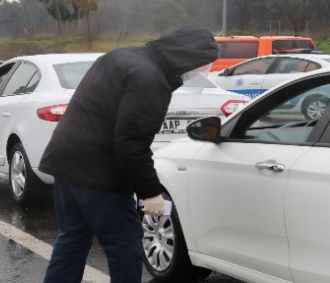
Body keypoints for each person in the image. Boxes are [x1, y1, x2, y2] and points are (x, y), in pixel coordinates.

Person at [38, 26, 219, 283]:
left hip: (66, 161)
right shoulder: (150, 79)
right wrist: (150, 193)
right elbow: (131, 143)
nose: (202, 71)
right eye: (203, 64)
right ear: (187, 56)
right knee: (124, 246)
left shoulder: (120, 56)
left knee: (72, 240)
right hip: (98, 174)